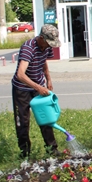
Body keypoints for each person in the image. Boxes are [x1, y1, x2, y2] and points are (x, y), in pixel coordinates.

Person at [11, 24, 62, 159]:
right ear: (41, 38)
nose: (49, 46)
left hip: (38, 87)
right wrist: (38, 87)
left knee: (46, 118)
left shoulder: (46, 46)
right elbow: (20, 75)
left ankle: (52, 150)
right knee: (23, 122)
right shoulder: (28, 48)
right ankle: (25, 154)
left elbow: (43, 62)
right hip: (22, 90)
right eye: (48, 43)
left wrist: (48, 80)